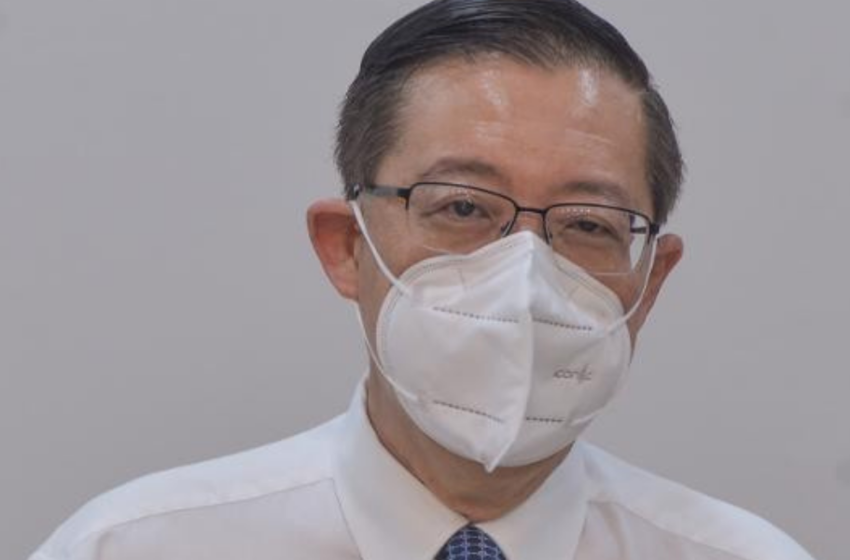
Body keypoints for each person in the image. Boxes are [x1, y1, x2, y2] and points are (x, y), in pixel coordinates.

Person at [30, 1, 816, 559]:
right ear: (346, 246)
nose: (524, 277)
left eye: (587, 224)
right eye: (462, 208)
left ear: (650, 283)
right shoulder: (133, 546)